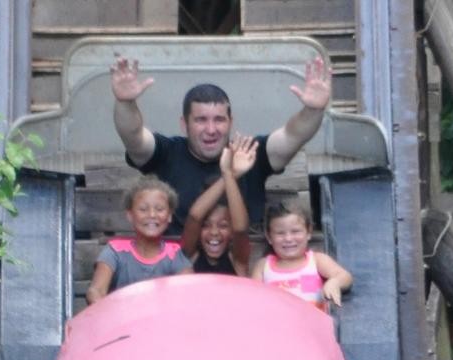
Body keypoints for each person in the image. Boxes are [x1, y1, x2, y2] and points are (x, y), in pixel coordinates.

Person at [110, 54, 331, 231]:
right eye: (200, 120)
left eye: (219, 120)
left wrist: (313, 109)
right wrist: (126, 103)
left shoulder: (248, 152)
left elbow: (294, 135)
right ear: (184, 125)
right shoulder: (167, 153)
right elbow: (133, 136)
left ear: (230, 122)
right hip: (180, 272)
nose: (211, 129)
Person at [86, 177, 193, 304]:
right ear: (130, 215)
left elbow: (189, 293)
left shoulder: (174, 255)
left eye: (159, 209)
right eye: (143, 209)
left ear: (169, 216)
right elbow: (96, 290)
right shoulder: (115, 251)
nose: (152, 215)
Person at [251, 201, 352, 311]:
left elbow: (345, 276)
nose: (288, 239)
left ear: (308, 232)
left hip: (314, 325)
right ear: (269, 237)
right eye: (280, 233)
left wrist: (334, 283)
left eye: (295, 232)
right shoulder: (263, 266)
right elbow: (254, 298)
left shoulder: (317, 260)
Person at [180, 134, 258, 276]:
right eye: (206, 225)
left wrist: (229, 175)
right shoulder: (190, 255)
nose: (214, 232)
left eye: (223, 225)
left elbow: (240, 228)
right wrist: (229, 175)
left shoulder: (237, 260)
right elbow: (194, 216)